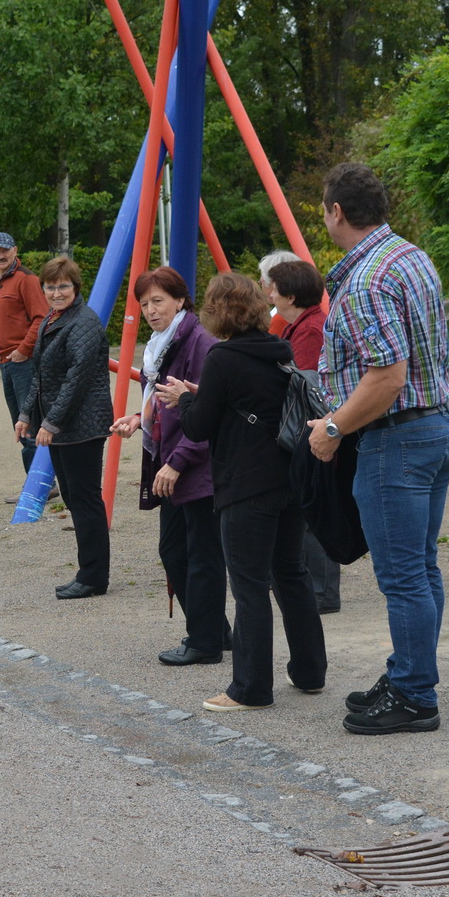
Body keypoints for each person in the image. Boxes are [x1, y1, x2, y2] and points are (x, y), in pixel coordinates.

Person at [307, 162, 449, 735]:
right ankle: (408, 671)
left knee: (403, 576)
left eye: (323, 208)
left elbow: (388, 375)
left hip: (398, 440)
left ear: (337, 212)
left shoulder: (367, 279)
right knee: (420, 568)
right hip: (440, 427)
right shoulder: (410, 255)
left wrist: (331, 429)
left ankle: (415, 696)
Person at [157, 272, 327, 710]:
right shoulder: (280, 349)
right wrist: (202, 395)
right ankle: (310, 670)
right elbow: (248, 401)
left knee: (250, 586)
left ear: (217, 312)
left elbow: (198, 425)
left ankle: (250, 688)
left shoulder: (223, 357)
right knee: (291, 574)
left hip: (245, 485)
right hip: (287, 478)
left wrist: (184, 400)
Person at [109, 267, 229, 665]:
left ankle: (205, 641)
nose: (150, 310)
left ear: (180, 299)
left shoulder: (198, 342)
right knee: (176, 550)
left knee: (201, 554)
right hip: (174, 460)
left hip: (197, 466)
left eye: (158, 300)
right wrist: (138, 418)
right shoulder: (163, 343)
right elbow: (165, 403)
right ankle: (214, 629)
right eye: (144, 303)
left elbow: (207, 415)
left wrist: (177, 462)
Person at [13, 257, 111, 599]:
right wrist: (27, 414)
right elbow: (41, 376)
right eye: (51, 287)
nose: (56, 292)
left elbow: (77, 379)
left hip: (82, 426)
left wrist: (50, 422)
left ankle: (94, 576)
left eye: (63, 286)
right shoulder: (54, 320)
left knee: (85, 500)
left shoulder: (83, 322)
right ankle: (88, 571)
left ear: (76, 287)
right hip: (64, 426)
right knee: (73, 497)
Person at [268, 258, 341, 614]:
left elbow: (307, 384)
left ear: (291, 295)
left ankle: (323, 591)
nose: (269, 293)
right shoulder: (298, 325)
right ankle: (314, 586)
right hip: (311, 427)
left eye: (274, 288)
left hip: (314, 428)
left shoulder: (310, 329)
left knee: (313, 510)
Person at [0, 232, 48, 474]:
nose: (1, 255)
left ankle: (39, 487)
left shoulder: (26, 279)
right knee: (20, 424)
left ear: (15, 250)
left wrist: (24, 349)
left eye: (5, 250)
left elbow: (41, 317)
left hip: (25, 362)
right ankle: (38, 484)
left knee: (29, 423)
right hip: (7, 363)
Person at [256, 250, 300, 337]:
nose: (262, 287)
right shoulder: (308, 313)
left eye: (262, 282)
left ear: (274, 283)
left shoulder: (282, 318)